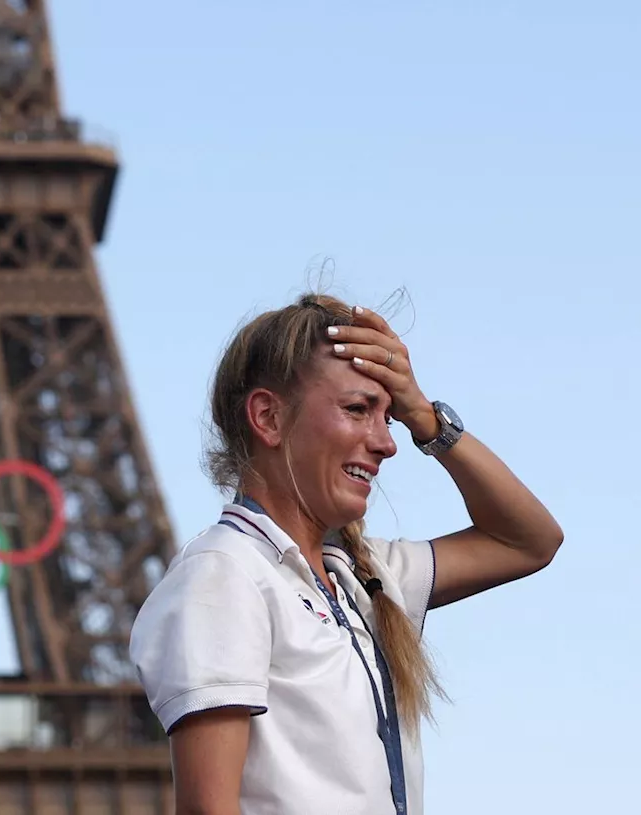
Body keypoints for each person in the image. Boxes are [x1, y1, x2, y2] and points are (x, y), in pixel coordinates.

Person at [128, 293, 562, 815]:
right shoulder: (225, 575)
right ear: (268, 417)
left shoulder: (368, 576)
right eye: (358, 410)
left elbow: (531, 540)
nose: (387, 443)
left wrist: (426, 418)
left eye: (389, 417)